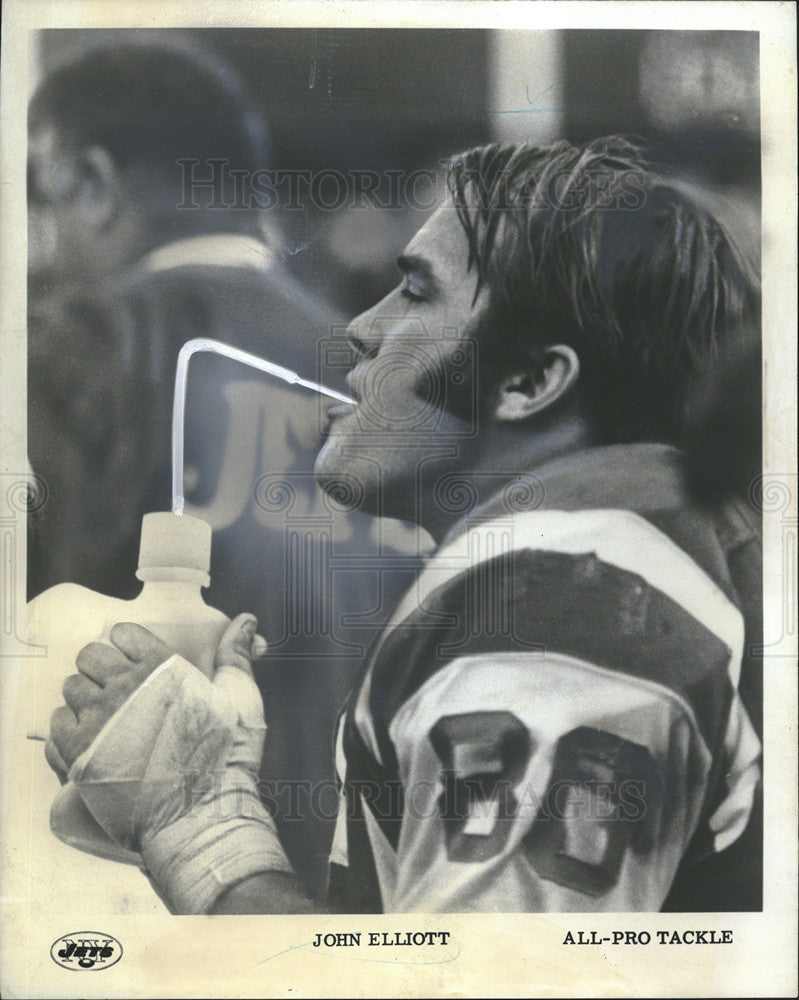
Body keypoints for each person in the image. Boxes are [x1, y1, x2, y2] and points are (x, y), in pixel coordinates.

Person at [46, 136, 763, 913]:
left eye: (417, 294)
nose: (359, 327)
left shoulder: (565, 587)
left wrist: (199, 825)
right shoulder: (616, 547)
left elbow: (467, 988)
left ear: (527, 381)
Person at [27, 39, 411, 895]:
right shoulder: (383, 376)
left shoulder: (66, 351)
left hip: (135, 888)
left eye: (39, 194)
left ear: (92, 184)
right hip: (343, 891)